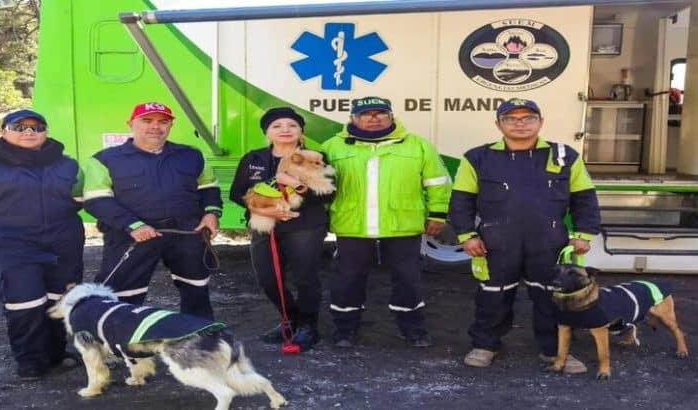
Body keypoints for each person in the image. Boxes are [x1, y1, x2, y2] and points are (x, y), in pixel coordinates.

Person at [448, 98, 601, 372]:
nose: (520, 124)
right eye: (511, 119)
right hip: (495, 241)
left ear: (540, 122)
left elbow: (584, 198)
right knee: (492, 295)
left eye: (528, 118)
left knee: (552, 296)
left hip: (549, 241)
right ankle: (485, 345)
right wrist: (467, 236)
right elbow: (461, 200)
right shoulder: (477, 157)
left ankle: (555, 350)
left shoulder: (564, 155)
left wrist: (584, 234)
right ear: (498, 124)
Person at [0, 109, 84, 381]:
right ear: (3, 131)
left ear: (45, 131)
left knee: (60, 298)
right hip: (12, 246)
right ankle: (30, 360)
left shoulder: (69, 165)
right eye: (19, 126)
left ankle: (57, 353)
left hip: (63, 242)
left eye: (36, 126)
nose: (29, 132)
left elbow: (78, 200)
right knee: (24, 302)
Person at [320, 96, 451, 348]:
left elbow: (437, 182)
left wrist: (437, 214)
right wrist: (322, 218)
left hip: (403, 225)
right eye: (366, 114)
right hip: (352, 226)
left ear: (391, 116)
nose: (374, 118)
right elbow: (321, 188)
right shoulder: (332, 147)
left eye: (380, 113)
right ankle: (345, 330)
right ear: (353, 118)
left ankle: (413, 329)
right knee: (348, 279)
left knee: (408, 279)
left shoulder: (417, 146)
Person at [82, 102, 222, 319]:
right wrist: (133, 225)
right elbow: (96, 200)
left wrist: (212, 213)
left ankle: (201, 338)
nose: (155, 127)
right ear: (131, 124)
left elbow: (209, 188)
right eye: (147, 121)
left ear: (170, 125)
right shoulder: (104, 159)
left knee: (196, 288)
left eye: (163, 122)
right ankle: (123, 344)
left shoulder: (192, 156)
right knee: (123, 293)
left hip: (186, 233)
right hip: (132, 235)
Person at [229, 107, 333, 351]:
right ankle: (289, 319)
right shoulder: (252, 158)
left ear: (301, 131)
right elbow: (236, 193)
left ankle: (308, 326)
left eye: (292, 125)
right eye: (277, 126)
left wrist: (296, 184)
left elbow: (328, 194)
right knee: (267, 279)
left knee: (304, 278)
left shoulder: (316, 156)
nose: (285, 130)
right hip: (263, 225)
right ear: (267, 132)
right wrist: (263, 209)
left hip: (305, 226)